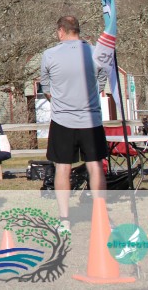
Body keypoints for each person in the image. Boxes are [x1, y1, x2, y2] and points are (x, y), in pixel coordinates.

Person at [40, 15, 113, 233]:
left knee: (63, 168)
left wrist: (61, 101)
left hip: (63, 120)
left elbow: (46, 88)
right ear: (78, 30)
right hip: (91, 119)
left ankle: (64, 220)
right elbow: (101, 83)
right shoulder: (95, 53)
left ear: (61, 31)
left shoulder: (49, 55)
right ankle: (101, 217)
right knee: (95, 166)